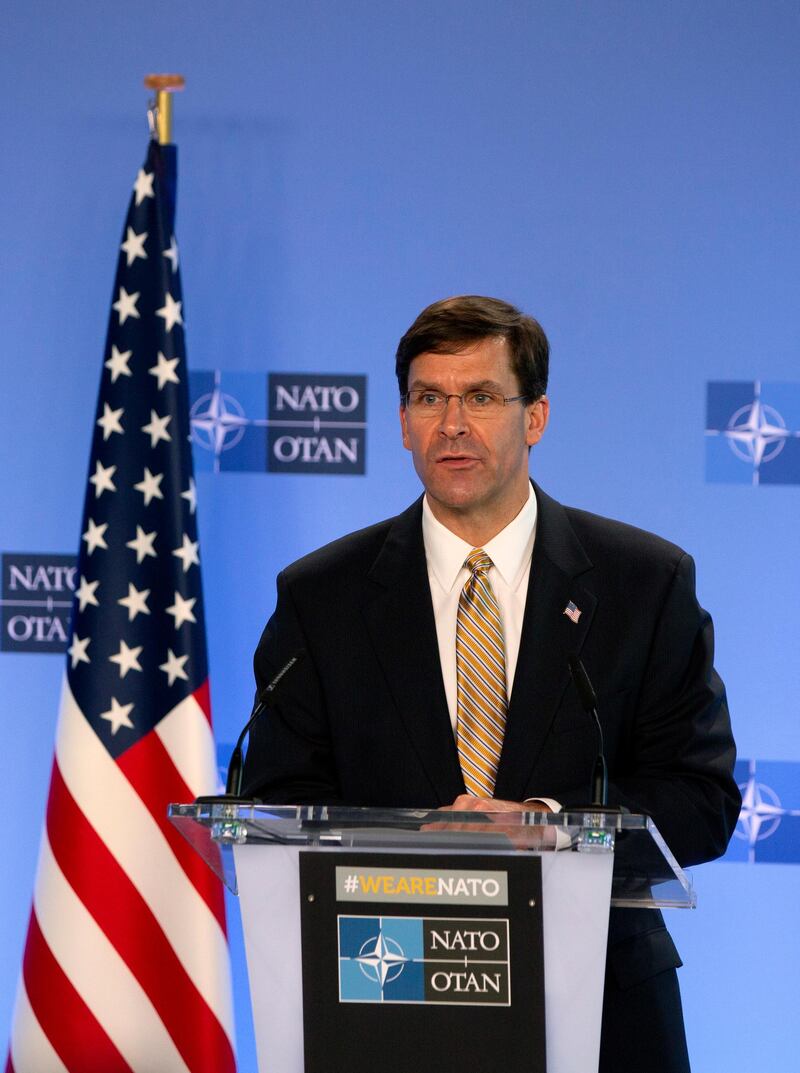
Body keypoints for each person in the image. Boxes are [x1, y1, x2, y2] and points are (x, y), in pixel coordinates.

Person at [242, 295, 740, 1073]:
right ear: (403, 421)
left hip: (605, 1008)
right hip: (388, 994)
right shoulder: (323, 596)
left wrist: (549, 823)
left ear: (535, 416)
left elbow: (703, 801)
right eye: (428, 397)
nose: (452, 425)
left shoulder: (645, 583)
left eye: (481, 397)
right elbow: (278, 800)